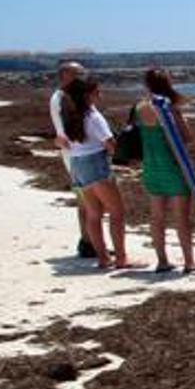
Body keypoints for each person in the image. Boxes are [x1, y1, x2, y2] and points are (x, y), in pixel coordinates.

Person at [60, 76, 138, 270]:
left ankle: (103, 257)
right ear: (88, 95)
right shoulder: (93, 117)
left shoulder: (69, 115)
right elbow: (110, 145)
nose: (100, 95)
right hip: (95, 163)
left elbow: (63, 141)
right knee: (117, 212)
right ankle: (121, 257)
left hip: (77, 164)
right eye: (97, 92)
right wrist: (128, 159)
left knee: (93, 214)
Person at [135, 69, 195, 274]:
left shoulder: (140, 107)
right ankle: (189, 262)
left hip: (151, 165)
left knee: (157, 217)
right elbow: (186, 137)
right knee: (181, 218)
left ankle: (162, 261)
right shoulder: (167, 107)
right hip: (173, 166)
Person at [49, 61, 96, 258]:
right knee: (88, 200)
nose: (83, 76)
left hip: (74, 154)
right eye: (78, 73)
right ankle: (88, 242)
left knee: (84, 199)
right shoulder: (64, 98)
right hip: (78, 154)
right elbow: (71, 130)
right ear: (66, 75)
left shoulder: (61, 97)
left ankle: (87, 240)